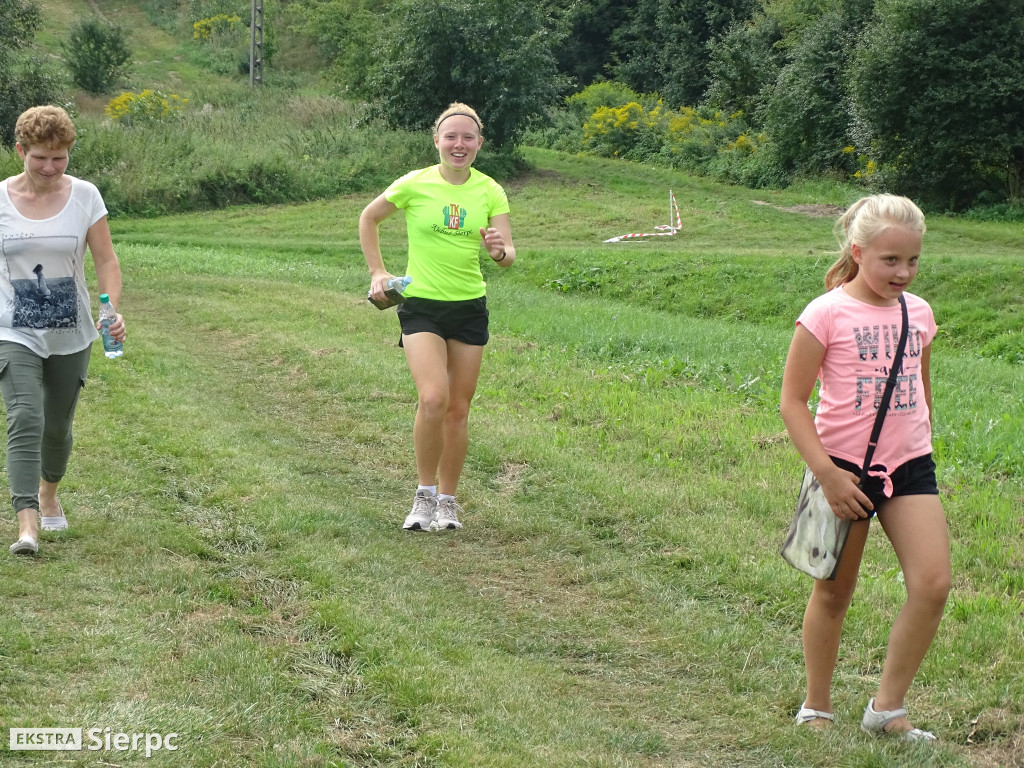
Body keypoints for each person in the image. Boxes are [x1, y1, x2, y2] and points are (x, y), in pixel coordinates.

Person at [780, 194, 950, 740]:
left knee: (933, 584)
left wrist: (919, 443)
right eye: (890, 260)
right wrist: (827, 476)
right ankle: (817, 706)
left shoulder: (919, 313)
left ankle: (887, 710)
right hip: (843, 472)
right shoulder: (825, 313)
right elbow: (792, 402)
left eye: (913, 261)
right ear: (858, 251)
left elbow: (921, 389)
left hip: (909, 467)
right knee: (834, 591)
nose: (903, 272)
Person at [360, 102, 515, 532]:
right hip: (421, 305)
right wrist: (378, 272)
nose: (459, 144)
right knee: (433, 399)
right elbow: (369, 218)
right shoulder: (415, 184)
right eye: (451, 137)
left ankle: (448, 501)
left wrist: (499, 250)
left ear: (479, 144)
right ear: (437, 141)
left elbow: (508, 256)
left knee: (458, 409)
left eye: (468, 138)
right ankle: (423, 496)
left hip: (468, 308)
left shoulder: (490, 191)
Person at [1, 105, 126, 555]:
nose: (50, 168)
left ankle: (49, 494)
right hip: (12, 331)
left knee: (57, 426)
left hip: (71, 333)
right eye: (39, 157)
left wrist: (111, 308)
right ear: (20, 150)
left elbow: (105, 260)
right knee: (25, 418)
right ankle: (26, 524)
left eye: (60, 157)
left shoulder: (85, 196)